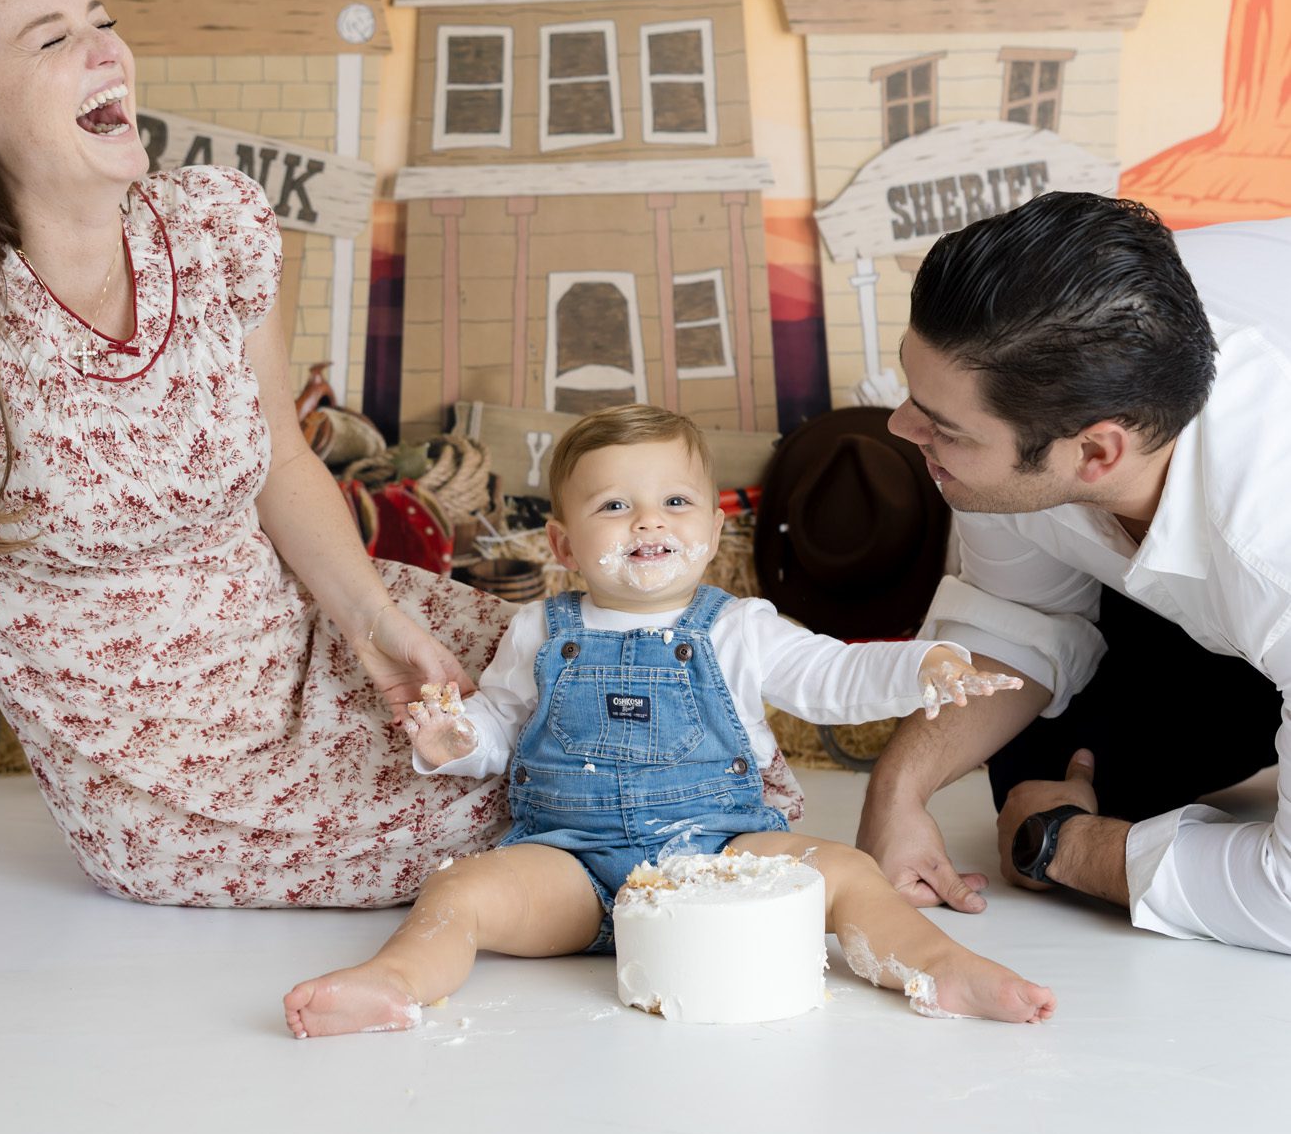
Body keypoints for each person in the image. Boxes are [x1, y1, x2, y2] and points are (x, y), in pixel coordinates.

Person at [0, 0, 521, 1013]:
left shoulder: (214, 227)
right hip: (174, 779)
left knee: (597, 677)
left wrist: (374, 625)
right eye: (51, 39)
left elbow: (276, 459)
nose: (107, 49)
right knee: (545, 792)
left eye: (102, 22)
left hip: (306, 650)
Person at [282, 405, 1055, 1037]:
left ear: (714, 532)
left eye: (675, 502)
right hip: (575, 869)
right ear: (563, 544)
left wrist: (921, 666)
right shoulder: (539, 632)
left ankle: (937, 968)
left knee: (847, 872)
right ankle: (396, 981)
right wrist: (456, 741)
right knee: (463, 891)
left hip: (723, 857)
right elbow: (502, 725)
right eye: (614, 505)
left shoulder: (739, 628)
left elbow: (830, 675)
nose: (647, 521)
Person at [856, 191, 1289, 949]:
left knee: (1053, 812)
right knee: (1041, 768)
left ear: (1096, 454)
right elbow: (1018, 615)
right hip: (1207, 584)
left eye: (943, 428)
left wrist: (1068, 848)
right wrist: (898, 789)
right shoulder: (1052, 362)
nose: (900, 426)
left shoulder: (1271, 543)